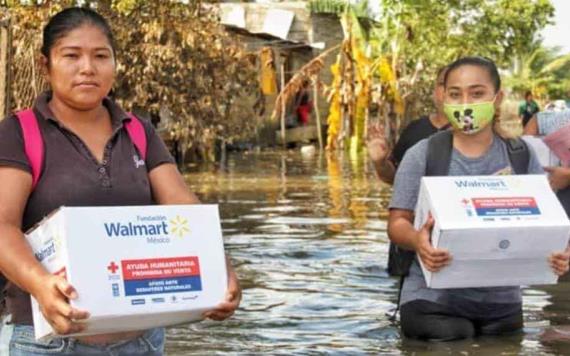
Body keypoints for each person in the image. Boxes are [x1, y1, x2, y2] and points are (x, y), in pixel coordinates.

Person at [0, 7, 240, 355]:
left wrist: (221, 267)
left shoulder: (138, 132)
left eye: (101, 56)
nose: (88, 68)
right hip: (50, 343)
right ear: (45, 65)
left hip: (140, 341)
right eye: (71, 55)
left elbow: (186, 211)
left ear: (114, 63)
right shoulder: (19, 133)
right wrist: (40, 284)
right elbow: (3, 225)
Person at [387, 56, 570, 341]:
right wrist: (418, 242)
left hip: (503, 305)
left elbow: (547, 220)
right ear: (443, 96)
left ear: (497, 98)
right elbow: (398, 222)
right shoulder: (423, 154)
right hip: (431, 301)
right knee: (453, 336)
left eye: (477, 93)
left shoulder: (521, 155)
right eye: (455, 94)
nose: (465, 103)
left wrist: (561, 252)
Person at [367, 66, 450, 185]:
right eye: (443, 84)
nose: (448, 90)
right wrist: (380, 162)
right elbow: (395, 178)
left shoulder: (482, 135)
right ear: (434, 90)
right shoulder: (415, 130)